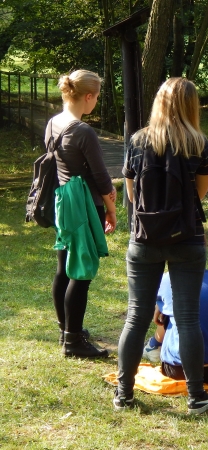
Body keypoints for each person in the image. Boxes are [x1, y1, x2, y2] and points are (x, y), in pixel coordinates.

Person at [115, 78, 208, 414]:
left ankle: (124, 395)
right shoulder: (198, 144)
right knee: (187, 319)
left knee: (136, 317)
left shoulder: (137, 141)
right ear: (192, 105)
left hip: (144, 238)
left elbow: (132, 194)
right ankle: (197, 397)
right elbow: (199, 194)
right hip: (186, 238)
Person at [47, 69, 116, 358]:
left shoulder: (53, 123)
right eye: (96, 97)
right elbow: (101, 178)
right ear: (88, 96)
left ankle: (67, 331)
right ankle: (73, 343)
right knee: (82, 273)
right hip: (85, 205)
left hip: (63, 201)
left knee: (65, 269)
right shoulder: (83, 130)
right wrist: (111, 209)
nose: (96, 102)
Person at [143, 270, 208, 384]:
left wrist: (160, 305)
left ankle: (153, 346)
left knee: (170, 310)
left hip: (179, 371)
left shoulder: (165, 279)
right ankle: (154, 346)